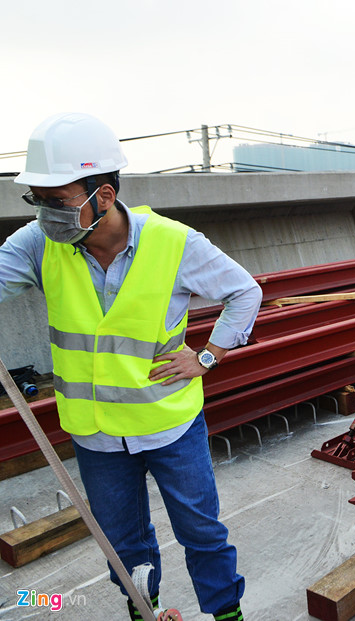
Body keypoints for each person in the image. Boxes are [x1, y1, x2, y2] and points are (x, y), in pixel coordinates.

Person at [0, 112, 262, 620]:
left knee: (202, 531)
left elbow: (244, 292)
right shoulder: (39, 245)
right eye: (37, 200)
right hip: (95, 435)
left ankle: (227, 614)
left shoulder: (172, 243)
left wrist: (208, 356)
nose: (44, 214)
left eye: (56, 202)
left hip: (168, 425)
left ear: (103, 195)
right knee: (123, 543)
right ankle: (146, 609)